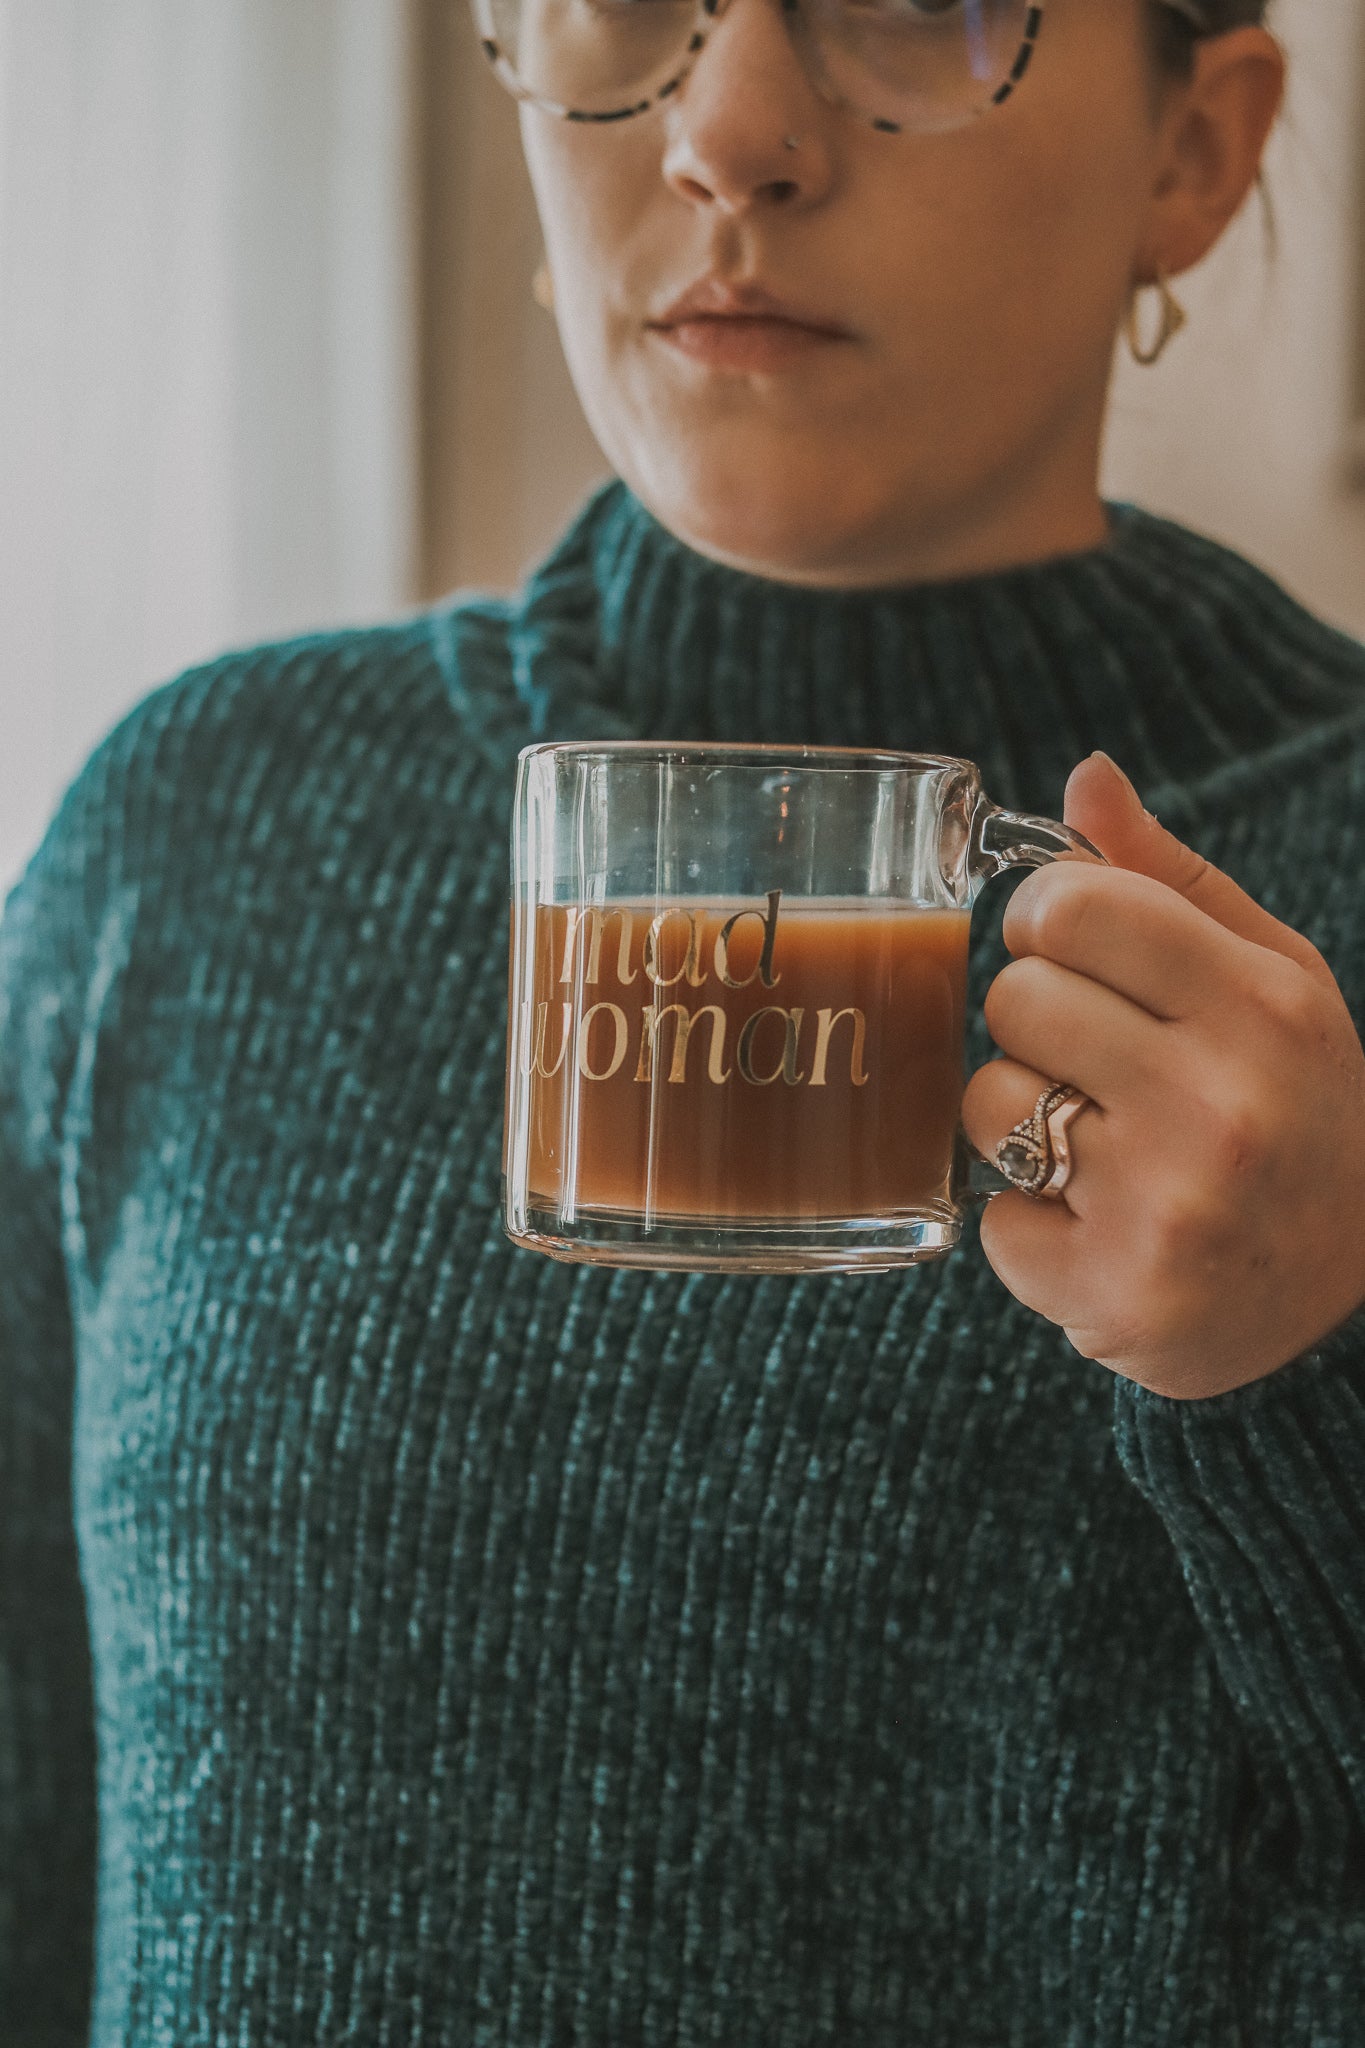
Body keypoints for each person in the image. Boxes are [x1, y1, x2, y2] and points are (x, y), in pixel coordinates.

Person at [2, 0, 1363, 2040]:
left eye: (918, 7)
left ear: (1195, 147)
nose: (725, 131)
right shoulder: (190, 831)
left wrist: (1308, 1390)